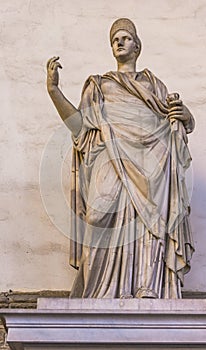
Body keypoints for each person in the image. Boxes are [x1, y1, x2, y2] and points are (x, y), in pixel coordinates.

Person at [46, 18, 195, 299]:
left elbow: (174, 122)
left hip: (151, 163)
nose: (119, 42)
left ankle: (145, 285)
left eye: (126, 38)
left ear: (137, 46)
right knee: (98, 216)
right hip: (108, 162)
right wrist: (54, 91)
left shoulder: (156, 86)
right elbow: (80, 127)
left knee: (149, 221)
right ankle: (100, 292)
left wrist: (187, 118)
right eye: (115, 39)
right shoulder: (99, 86)